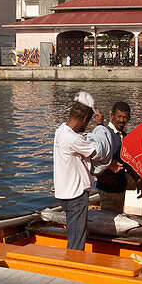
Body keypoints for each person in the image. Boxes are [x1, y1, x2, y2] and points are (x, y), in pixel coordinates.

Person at [53, 98, 105, 251]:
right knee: (77, 240)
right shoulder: (73, 138)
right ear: (84, 119)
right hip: (75, 194)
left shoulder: (61, 130)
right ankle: (72, 268)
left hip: (65, 192)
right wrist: (100, 127)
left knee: (74, 234)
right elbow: (96, 153)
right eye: (87, 122)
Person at [96, 101, 134, 212]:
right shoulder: (104, 133)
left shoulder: (124, 136)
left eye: (125, 117)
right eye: (119, 116)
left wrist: (137, 179)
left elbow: (127, 161)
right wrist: (101, 177)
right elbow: (95, 158)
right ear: (112, 116)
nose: (122, 120)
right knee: (109, 221)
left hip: (120, 186)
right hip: (107, 189)